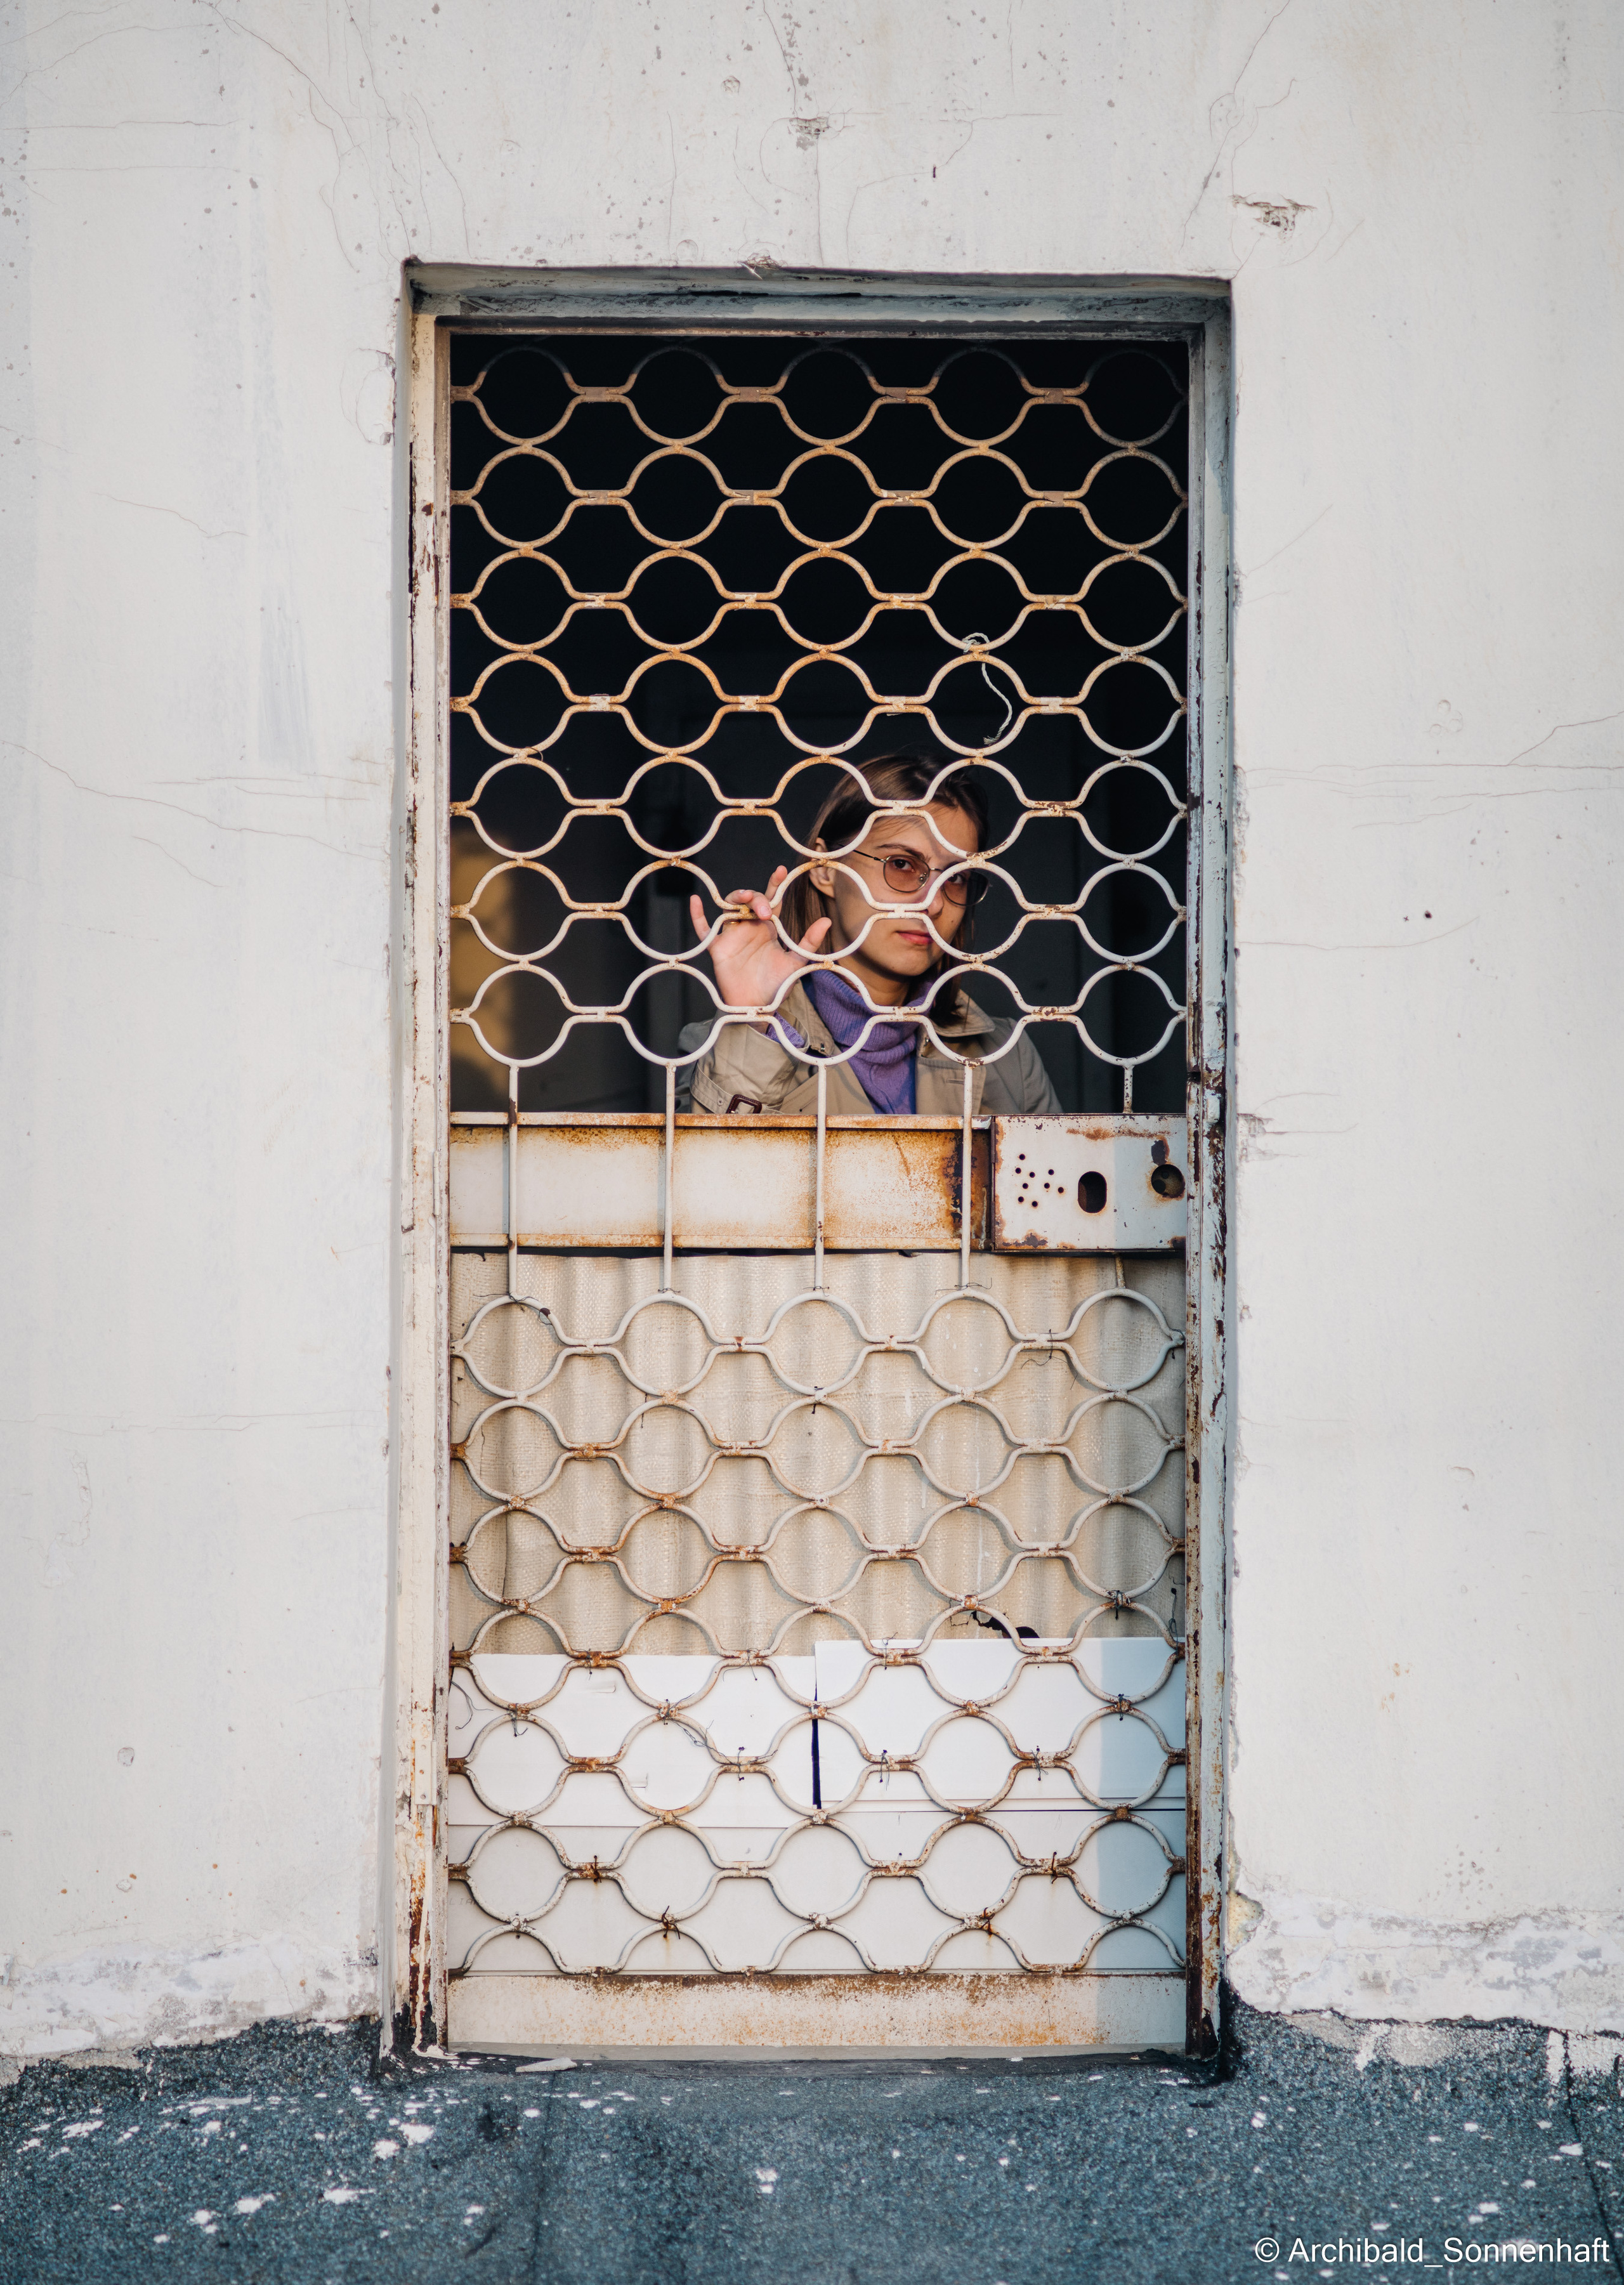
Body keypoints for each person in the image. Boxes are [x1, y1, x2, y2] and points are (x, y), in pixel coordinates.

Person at [681, 754, 1060, 1116]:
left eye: (956, 877)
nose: (933, 904)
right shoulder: (718, 1044)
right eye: (901, 865)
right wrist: (755, 1021)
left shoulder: (1008, 1056)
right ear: (825, 868)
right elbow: (701, 1178)